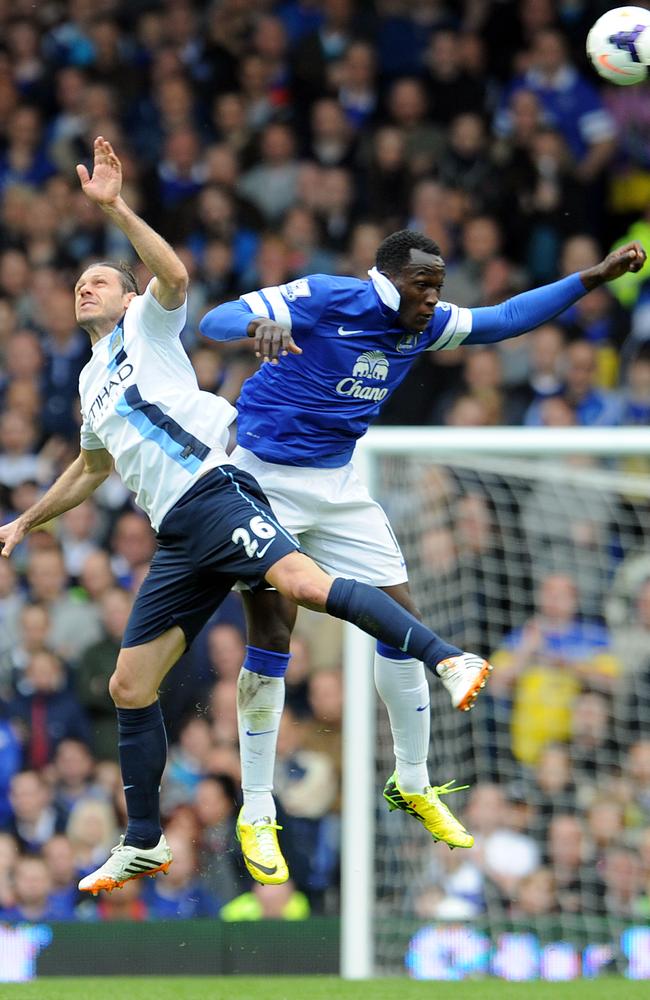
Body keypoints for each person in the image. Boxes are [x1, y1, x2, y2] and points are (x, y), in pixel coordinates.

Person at [0, 138, 495, 895]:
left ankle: (443, 656)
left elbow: (176, 275)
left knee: (300, 584)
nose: (84, 289)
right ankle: (143, 841)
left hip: (217, 487)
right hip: (178, 532)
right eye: (78, 285)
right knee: (130, 688)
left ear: (128, 299)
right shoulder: (89, 384)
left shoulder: (148, 330)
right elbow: (89, 469)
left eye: (99, 280)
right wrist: (23, 524)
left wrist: (116, 210)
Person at [200, 227, 645, 879]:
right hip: (265, 478)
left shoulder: (425, 324)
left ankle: (412, 781)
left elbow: (505, 319)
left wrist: (591, 279)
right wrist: (256, 325)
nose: (435, 296)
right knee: (273, 632)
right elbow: (215, 319)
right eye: (424, 284)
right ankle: (258, 809)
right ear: (386, 281)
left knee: (400, 620)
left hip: (338, 481)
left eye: (439, 283)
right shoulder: (328, 298)